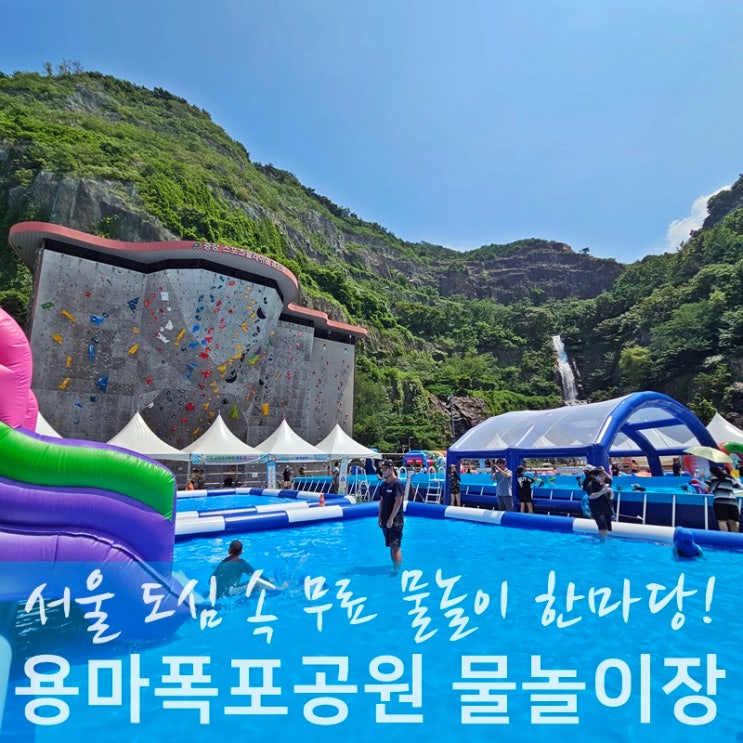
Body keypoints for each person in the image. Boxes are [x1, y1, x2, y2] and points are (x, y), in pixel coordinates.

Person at [377, 459, 405, 572]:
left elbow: (398, 501)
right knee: (390, 545)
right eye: (382, 469)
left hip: (395, 520)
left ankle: (397, 571)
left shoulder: (397, 484)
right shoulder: (384, 485)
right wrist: (379, 517)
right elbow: (381, 502)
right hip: (385, 519)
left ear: (391, 468)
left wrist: (391, 518)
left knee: (395, 546)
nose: (383, 471)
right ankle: (395, 567)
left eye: (384, 469)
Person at [706, 464, 740, 532]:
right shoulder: (729, 478)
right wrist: (734, 478)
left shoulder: (712, 479)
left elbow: (705, 489)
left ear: (712, 472)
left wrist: (702, 479)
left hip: (720, 501)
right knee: (733, 521)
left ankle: (726, 538)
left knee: (722, 521)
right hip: (732, 502)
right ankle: (736, 538)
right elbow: (739, 487)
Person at [585, 466, 613, 536]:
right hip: (598, 510)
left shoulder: (602, 483)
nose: (603, 477)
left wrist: (610, 492)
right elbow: (591, 496)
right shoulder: (591, 485)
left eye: (603, 475)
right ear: (594, 476)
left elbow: (610, 480)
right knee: (602, 529)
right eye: (600, 475)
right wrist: (602, 492)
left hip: (606, 508)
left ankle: (606, 541)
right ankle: (602, 541)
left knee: (608, 529)